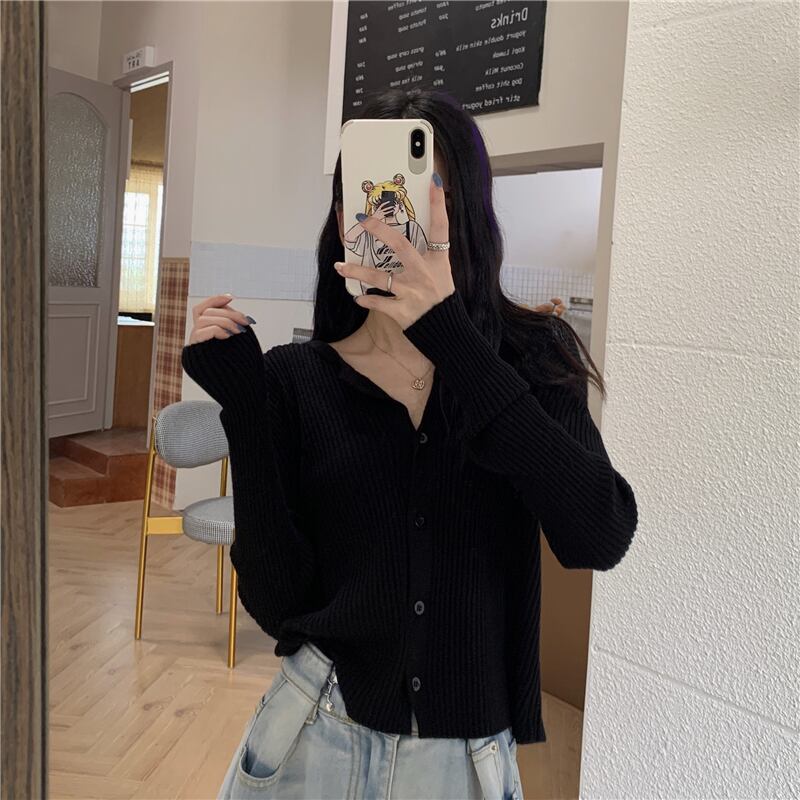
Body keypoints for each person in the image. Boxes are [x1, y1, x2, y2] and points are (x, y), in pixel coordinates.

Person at [181, 88, 638, 800]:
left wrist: (448, 332)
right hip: (311, 729)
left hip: (462, 759)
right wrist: (245, 410)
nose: (389, 219)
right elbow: (276, 603)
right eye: (367, 197)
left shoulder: (534, 359)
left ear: (466, 211)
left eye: (421, 194)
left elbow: (598, 535)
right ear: (342, 219)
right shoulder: (297, 379)